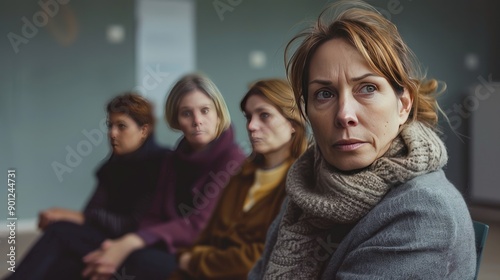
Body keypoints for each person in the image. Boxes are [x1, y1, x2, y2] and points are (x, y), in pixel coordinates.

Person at [249, 1, 476, 279]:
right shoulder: (307, 189)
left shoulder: (424, 211)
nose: (344, 115)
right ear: (307, 111)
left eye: (367, 88)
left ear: (403, 105)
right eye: (324, 94)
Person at [81, 73, 246, 280]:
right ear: (176, 120)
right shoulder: (172, 159)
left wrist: (132, 241)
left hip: (210, 256)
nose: (197, 121)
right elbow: (154, 215)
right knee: (103, 257)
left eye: (205, 111)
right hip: (171, 247)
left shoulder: (234, 160)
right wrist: (131, 243)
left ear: (219, 113)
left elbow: (198, 225)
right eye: (187, 113)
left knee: (134, 259)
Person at [5, 93, 169, 280]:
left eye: (121, 126)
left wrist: (75, 217)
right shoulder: (113, 166)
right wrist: (65, 217)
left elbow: (136, 224)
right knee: (62, 263)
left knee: (60, 233)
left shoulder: (160, 164)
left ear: (144, 130)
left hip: (138, 247)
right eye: (110, 125)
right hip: (104, 240)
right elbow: (92, 211)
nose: (112, 133)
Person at [169, 78, 308, 279]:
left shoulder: (304, 183)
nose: (251, 126)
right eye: (249, 117)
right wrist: (190, 260)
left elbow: (266, 257)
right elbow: (204, 239)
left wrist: (195, 261)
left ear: (293, 123)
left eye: (265, 116)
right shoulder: (241, 175)